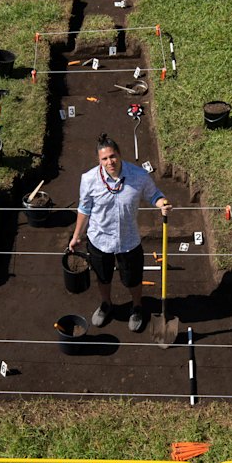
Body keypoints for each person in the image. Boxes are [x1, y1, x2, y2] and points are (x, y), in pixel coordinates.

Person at [68, 133, 172, 332]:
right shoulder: (89, 179)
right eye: (104, 158)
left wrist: (162, 204)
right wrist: (76, 236)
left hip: (128, 240)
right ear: (99, 160)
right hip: (99, 240)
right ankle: (106, 304)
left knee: (133, 279)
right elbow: (84, 209)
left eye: (113, 156)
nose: (110, 162)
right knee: (103, 277)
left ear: (120, 154)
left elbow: (155, 195)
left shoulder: (139, 176)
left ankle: (137, 307)